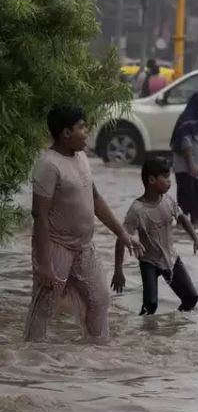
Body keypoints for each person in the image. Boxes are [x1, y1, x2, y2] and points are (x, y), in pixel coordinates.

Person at [26, 106, 144, 343]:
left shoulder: (81, 157)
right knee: (43, 309)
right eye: (81, 127)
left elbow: (96, 200)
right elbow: (39, 215)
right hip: (56, 246)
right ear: (66, 132)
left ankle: (93, 358)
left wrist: (122, 233)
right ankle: (32, 363)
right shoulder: (48, 165)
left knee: (100, 300)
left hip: (84, 247)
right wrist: (45, 263)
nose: (86, 131)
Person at [113, 158, 198, 315]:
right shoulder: (137, 210)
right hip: (149, 262)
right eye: (165, 177)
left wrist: (196, 240)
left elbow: (182, 218)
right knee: (150, 305)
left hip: (171, 258)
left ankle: (173, 326)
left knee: (191, 298)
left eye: (169, 177)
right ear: (151, 180)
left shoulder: (168, 201)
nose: (169, 182)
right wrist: (118, 271)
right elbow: (121, 239)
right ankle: (143, 333)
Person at [170, 91, 198, 226]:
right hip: (185, 167)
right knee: (187, 199)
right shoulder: (187, 119)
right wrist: (191, 164)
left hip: (194, 167)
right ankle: (184, 229)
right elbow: (185, 142)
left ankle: (193, 229)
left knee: (197, 199)